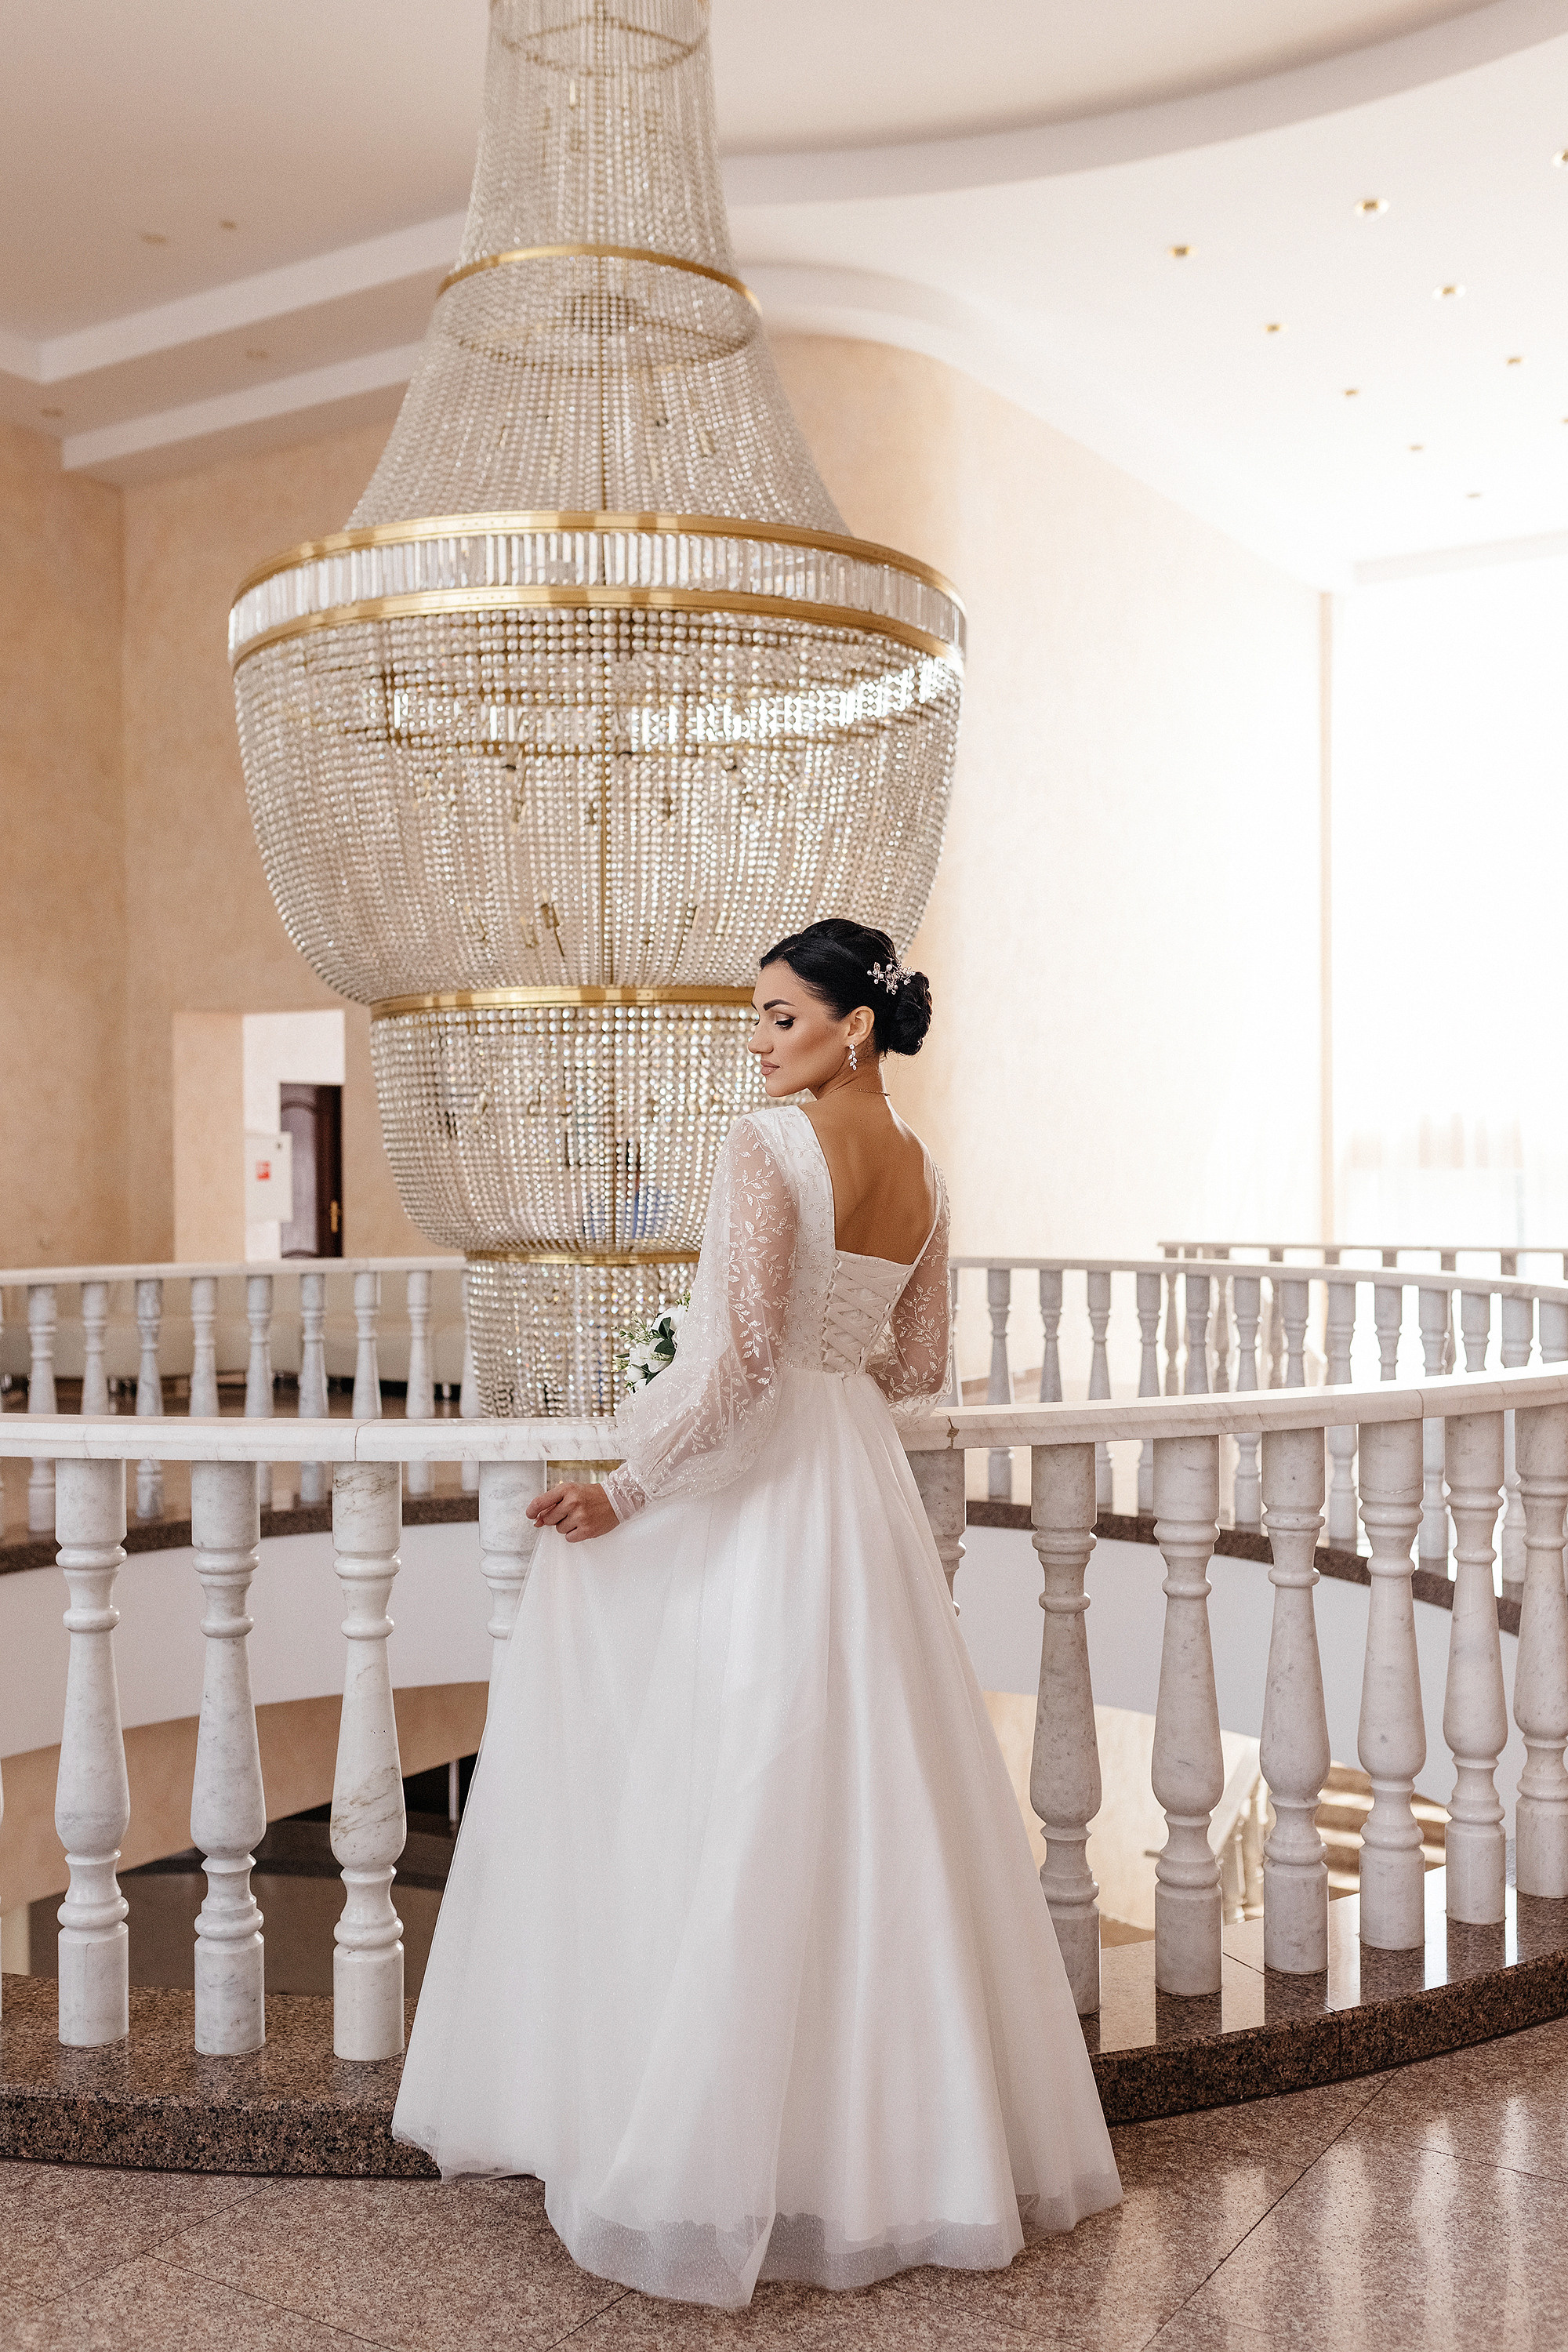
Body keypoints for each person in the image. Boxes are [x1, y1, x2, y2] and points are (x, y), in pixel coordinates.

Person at [392, 916, 1121, 2307]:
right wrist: (813, 1361)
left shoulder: (764, 1148)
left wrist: (624, 1482)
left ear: (853, 1023)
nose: (757, 1038)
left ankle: (691, 2147)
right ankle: (893, 2156)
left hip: (765, 1487)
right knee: (867, 1806)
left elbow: (731, 1371)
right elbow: (909, 1366)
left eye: (780, 1016)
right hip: (856, 1493)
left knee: (720, 1783)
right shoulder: (927, 1176)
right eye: (757, 1015)